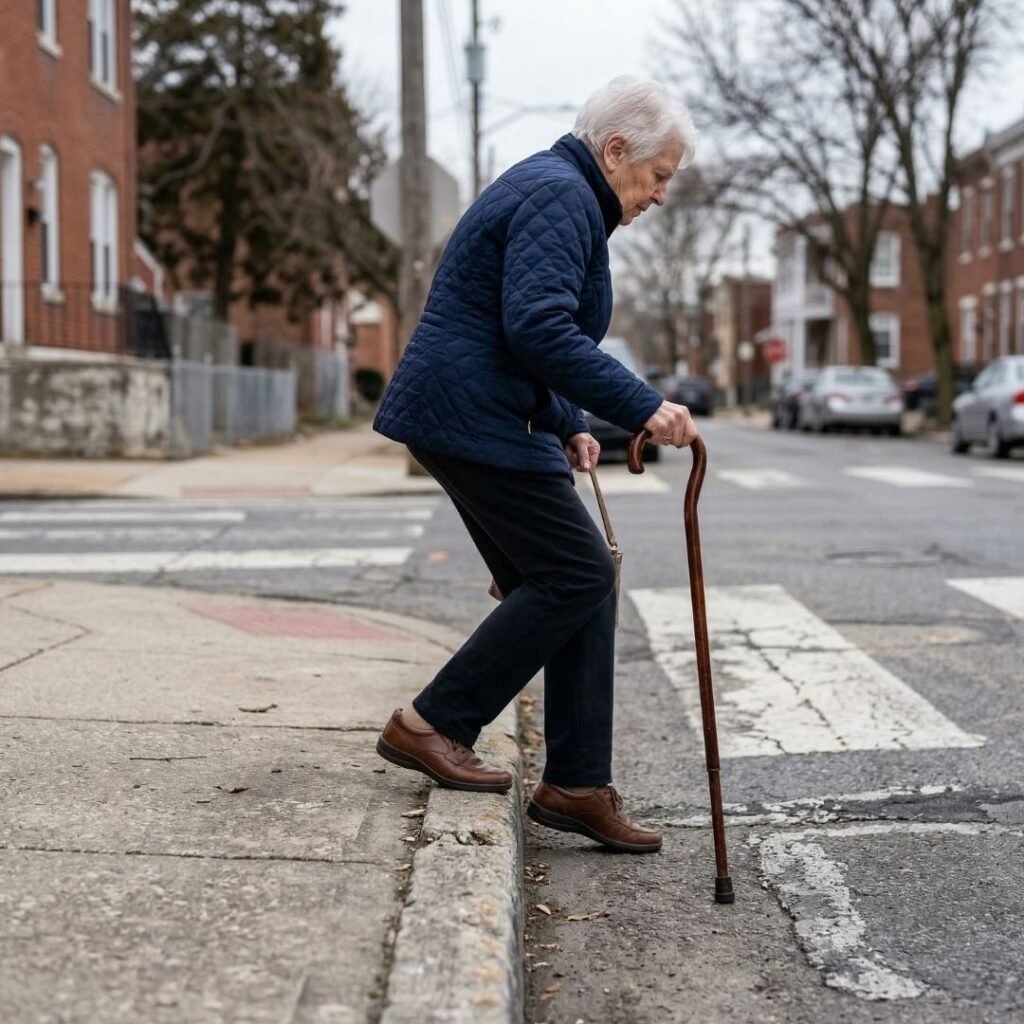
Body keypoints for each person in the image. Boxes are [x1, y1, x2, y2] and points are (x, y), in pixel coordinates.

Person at [372, 76, 699, 854]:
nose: (659, 196)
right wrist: (640, 407)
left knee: (577, 582)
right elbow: (540, 328)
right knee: (576, 575)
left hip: (478, 411)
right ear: (615, 150)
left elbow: (509, 326)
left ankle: (578, 785)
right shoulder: (563, 196)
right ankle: (431, 723)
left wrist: (563, 424)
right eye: (658, 176)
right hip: (469, 416)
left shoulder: (565, 192)